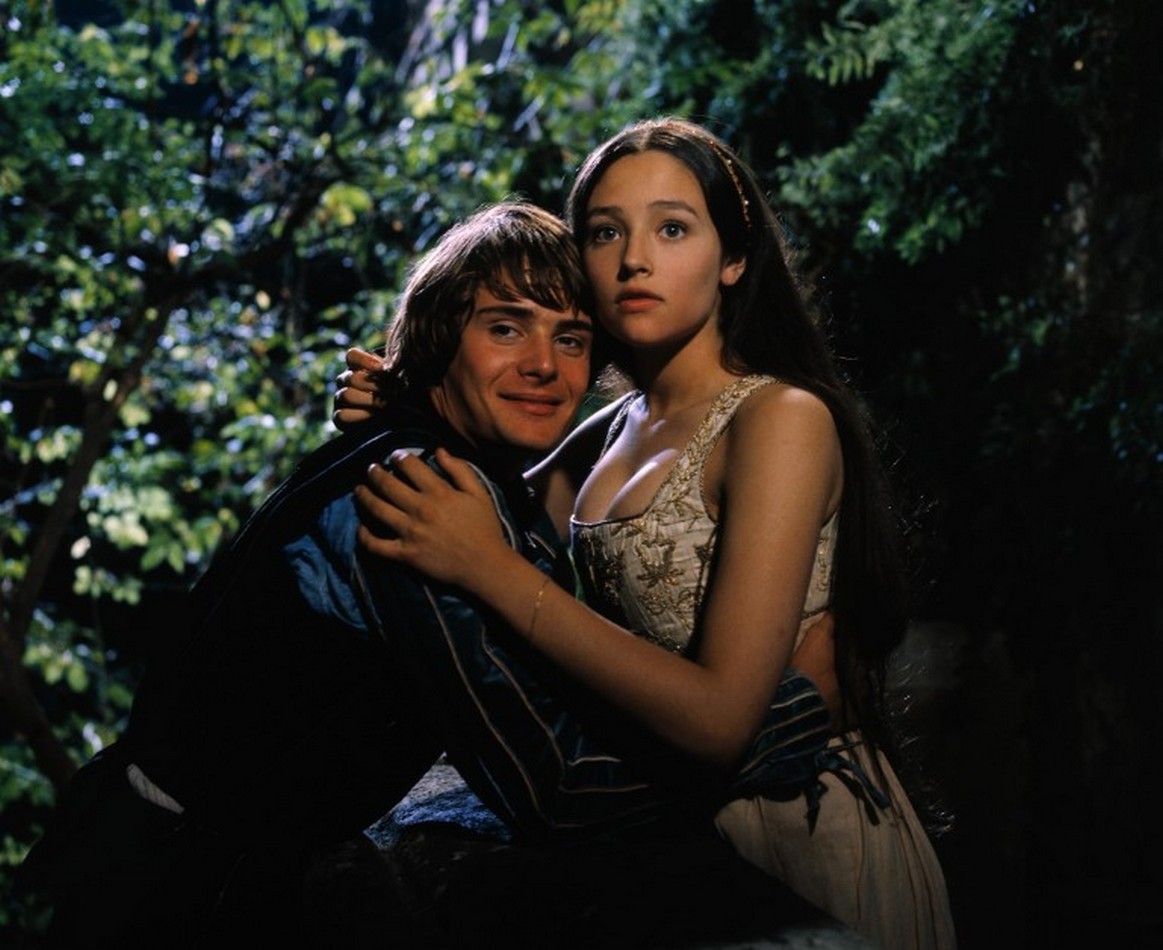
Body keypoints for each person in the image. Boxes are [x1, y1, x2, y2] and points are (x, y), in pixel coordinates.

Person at [19, 200, 837, 948]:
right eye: (506, 328)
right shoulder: (419, 494)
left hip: (174, 864)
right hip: (168, 900)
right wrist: (798, 709)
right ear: (442, 338)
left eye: (571, 339)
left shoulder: (429, 458)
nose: (545, 365)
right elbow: (559, 790)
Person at [348, 118, 957, 949]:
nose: (634, 259)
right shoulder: (608, 433)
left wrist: (492, 570)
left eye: (671, 229)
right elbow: (473, 498)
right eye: (605, 233)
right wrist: (402, 404)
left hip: (797, 834)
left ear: (732, 258)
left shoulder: (779, 417)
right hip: (665, 848)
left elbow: (719, 722)